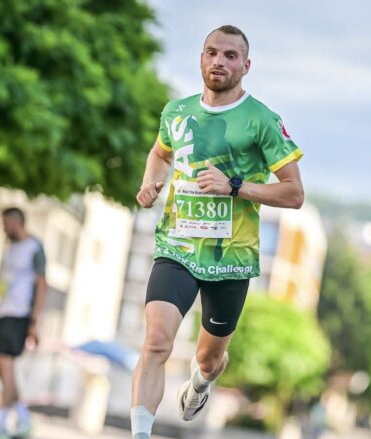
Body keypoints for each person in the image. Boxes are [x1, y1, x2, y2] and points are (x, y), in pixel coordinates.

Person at [131, 25, 304, 439]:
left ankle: (201, 381)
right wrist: (150, 181)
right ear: (201, 58)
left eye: (230, 56)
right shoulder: (176, 112)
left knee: (209, 359)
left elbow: (294, 193)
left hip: (231, 257)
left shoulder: (262, 120)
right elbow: (160, 152)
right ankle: (140, 434)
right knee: (156, 341)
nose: (219, 62)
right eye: (212, 53)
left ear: (246, 65)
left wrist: (236, 186)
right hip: (177, 244)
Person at [0, 207, 47, 439]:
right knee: (0, 365)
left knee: (5, 364)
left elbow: (42, 285)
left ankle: (3, 424)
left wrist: (34, 322)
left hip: (21, 313)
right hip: (6, 312)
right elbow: (6, 283)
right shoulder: (10, 249)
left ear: (18, 222)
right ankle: (23, 418)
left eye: (6, 223)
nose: (4, 228)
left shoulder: (35, 248)